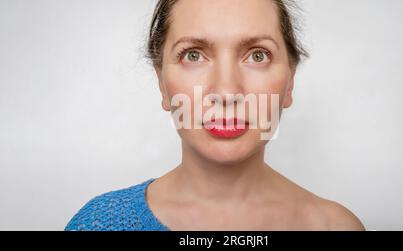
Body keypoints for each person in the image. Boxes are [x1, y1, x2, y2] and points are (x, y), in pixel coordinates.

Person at [65, 0, 365, 231]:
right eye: (193, 54)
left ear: (290, 83)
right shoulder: (99, 223)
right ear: (162, 84)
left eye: (257, 55)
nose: (226, 92)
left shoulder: (334, 226)